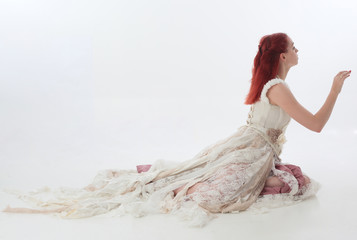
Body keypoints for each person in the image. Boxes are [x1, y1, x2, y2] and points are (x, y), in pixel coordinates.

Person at [2, 32, 351, 227]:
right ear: (283, 56)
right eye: (294, 47)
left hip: (253, 149)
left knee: (291, 181)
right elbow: (317, 125)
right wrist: (334, 90)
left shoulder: (273, 84)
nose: (297, 50)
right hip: (251, 150)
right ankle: (192, 182)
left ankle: (234, 177)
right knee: (212, 194)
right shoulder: (278, 87)